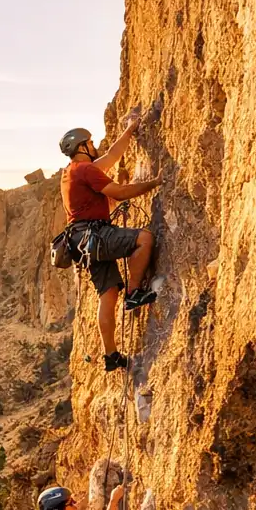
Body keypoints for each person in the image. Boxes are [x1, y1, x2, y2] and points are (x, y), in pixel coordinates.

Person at [59, 108, 164, 372]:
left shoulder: (73, 171)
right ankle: (135, 292)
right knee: (144, 239)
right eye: (90, 143)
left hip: (83, 245)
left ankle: (111, 355)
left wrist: (129, 132)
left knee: (107, 295)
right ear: (82, 147)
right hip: (95, 236)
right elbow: (119, 193)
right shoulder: (85, 170)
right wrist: (155, 183)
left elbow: (111, 156)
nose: (94, 146)